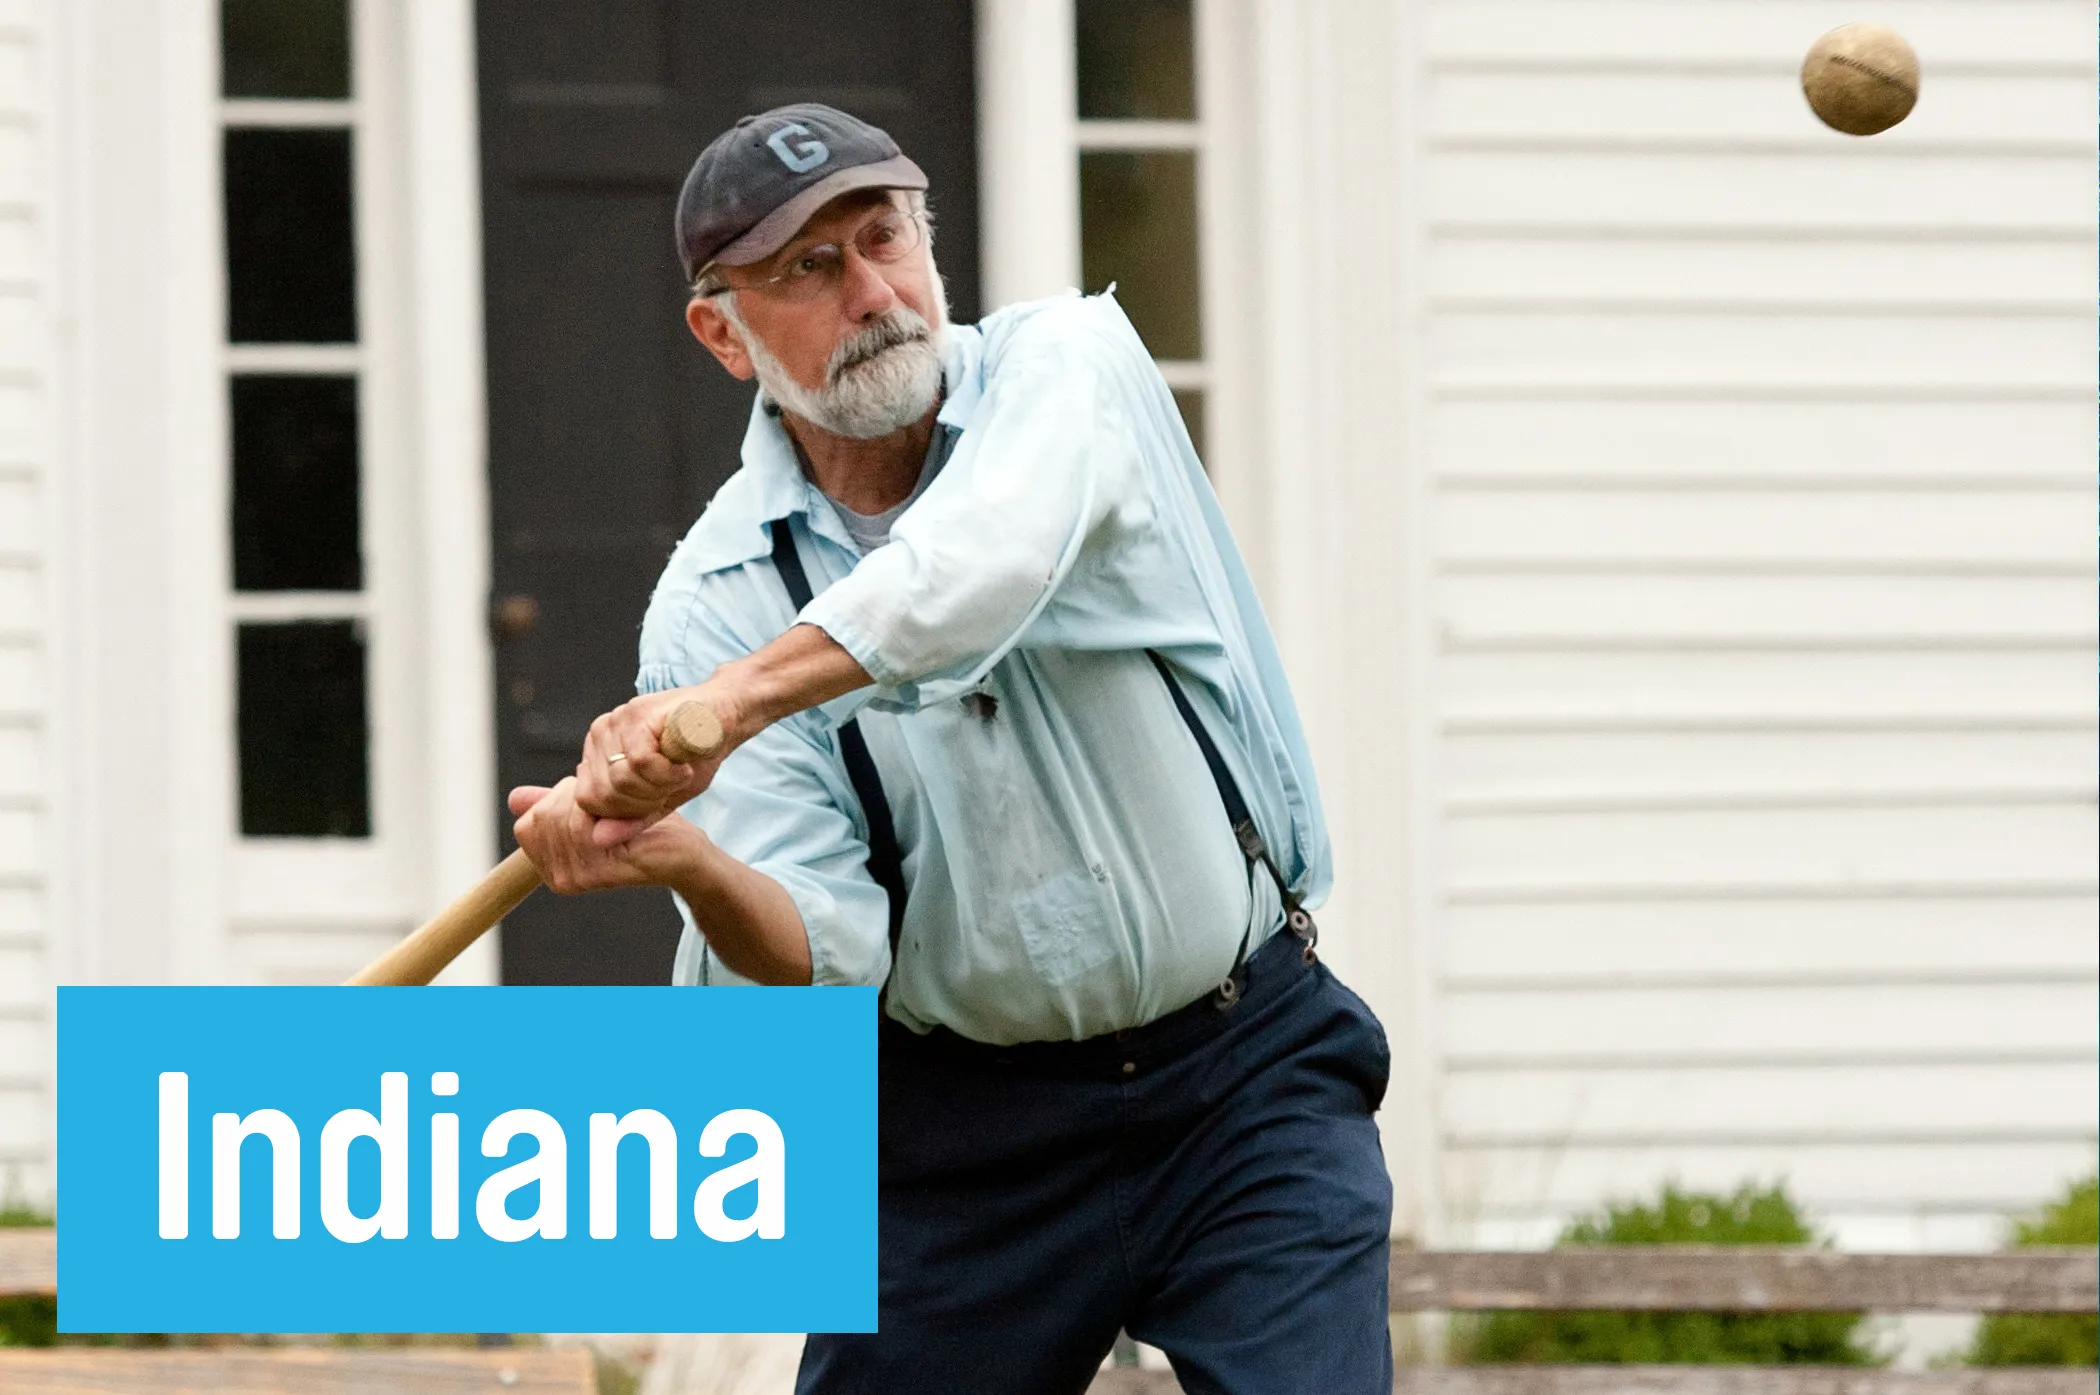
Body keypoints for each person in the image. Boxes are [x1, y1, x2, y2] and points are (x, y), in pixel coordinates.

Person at [508, 103, 1394, 1395]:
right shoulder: (711, 604)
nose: (874, 292)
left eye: (885, 238)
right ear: (722, 330)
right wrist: (690, 862)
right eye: (810, 269)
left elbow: (976, 569)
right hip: (960, 1137)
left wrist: (728, 708)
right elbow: (826, 948)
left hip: (1242, 1071)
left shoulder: (1071, 369)